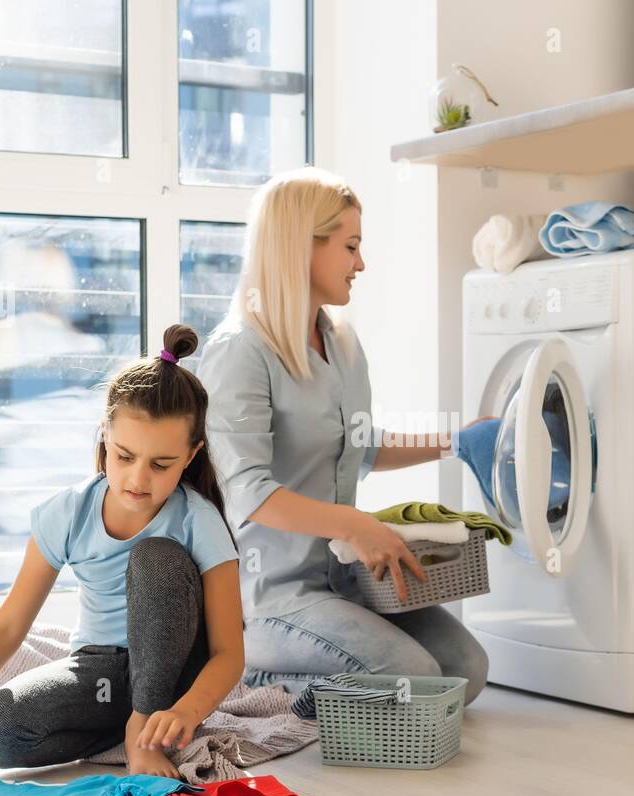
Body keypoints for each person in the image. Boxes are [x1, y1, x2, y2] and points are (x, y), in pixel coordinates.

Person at [0, 325, 244, 781]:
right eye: (124, 456)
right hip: (102, 675)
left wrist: (189, 711)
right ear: (104, 437)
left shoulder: (198, 519)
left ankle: (147, 727)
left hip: (175, 674)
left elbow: (229, 653)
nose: (138, 479)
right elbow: (8, 625)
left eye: (161, 465)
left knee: (155, 557)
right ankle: (130, 730)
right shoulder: (69, 512)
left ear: (192, 455)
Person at [197, 166, 489, 706]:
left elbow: (359, 446)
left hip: (343, 578)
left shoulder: (342, 343)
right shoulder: (240, 351)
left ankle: (326, 680)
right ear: (298, 247)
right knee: (417, 679)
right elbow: (247, 491)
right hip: (270, 598)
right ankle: (256, 679)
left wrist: (455, 442)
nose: (361, 264)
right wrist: (355, 524)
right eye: (350, 246)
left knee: (465, 669)